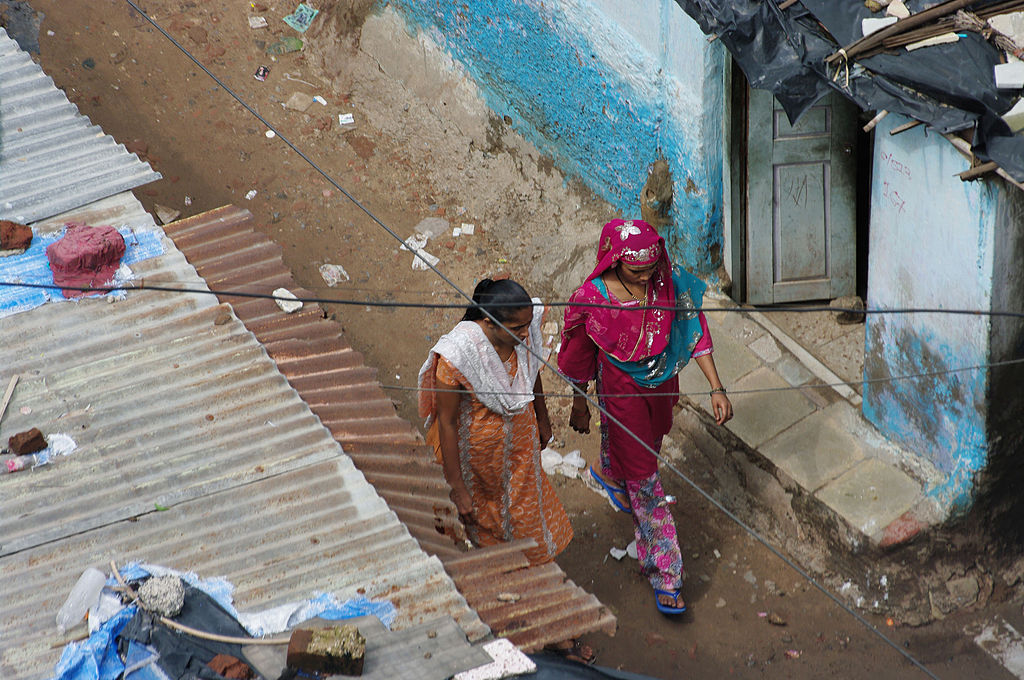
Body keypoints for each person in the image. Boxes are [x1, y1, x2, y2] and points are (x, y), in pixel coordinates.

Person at [558, 218, 733, 615]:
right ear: (614, 261)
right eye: (636, 271)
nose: (645, 279)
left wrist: (716, 387)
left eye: (650, 270)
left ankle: (610, 470)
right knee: (646, 482)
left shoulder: (667, 282)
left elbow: (693, 328)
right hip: (619, 392)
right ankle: (666, 573)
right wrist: (579, 402)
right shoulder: (592, 298)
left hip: (661, 384)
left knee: (646, 447)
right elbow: (578, 354)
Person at [418, 278, 594, 664]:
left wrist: (542, 416)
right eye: (515, 330)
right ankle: (550, 631)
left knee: (529, 535)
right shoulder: (458, 356)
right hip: (475, 472)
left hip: (516, 461)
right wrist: (458, 489)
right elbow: (446, 423)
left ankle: (550, 622)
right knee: (495, 545)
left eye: (525, 327)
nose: (523, 334)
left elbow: (532, 372)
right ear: (489, 323)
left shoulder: (522, 329)